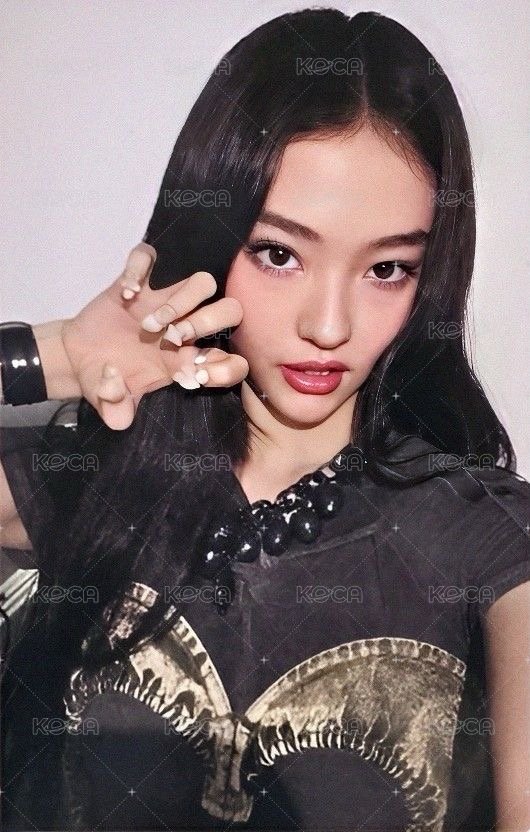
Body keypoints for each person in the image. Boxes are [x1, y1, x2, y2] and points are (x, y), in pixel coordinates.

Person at [1, 7, 529, 832]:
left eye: (388, 268)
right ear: (210, 241)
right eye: (279, 254)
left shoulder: (488, 540)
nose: (329, 326)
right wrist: (54, 354)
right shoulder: (91, 479)